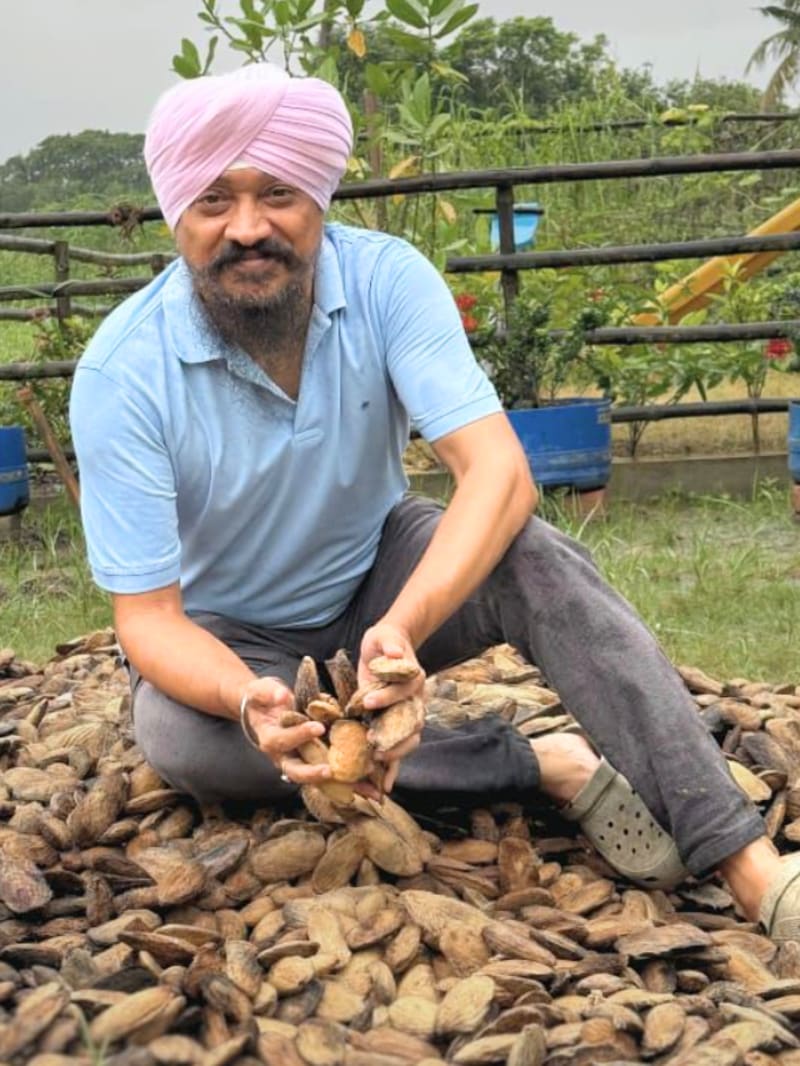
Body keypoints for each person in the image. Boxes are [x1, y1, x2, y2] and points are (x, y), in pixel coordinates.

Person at [70, 63, 797, 942]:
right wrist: (244, 699)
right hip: (233, 634)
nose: (249, 227)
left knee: (536, 557)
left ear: (319, 198)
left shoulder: (385, 281)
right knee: (181, 739)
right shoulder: (124, 374)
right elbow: (148, 620)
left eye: (279, 193)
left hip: (377, 575)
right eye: (214, 200)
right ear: (176, 213)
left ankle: (748, 864)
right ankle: (539, 763)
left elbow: (498, 472)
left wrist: (401, 630)